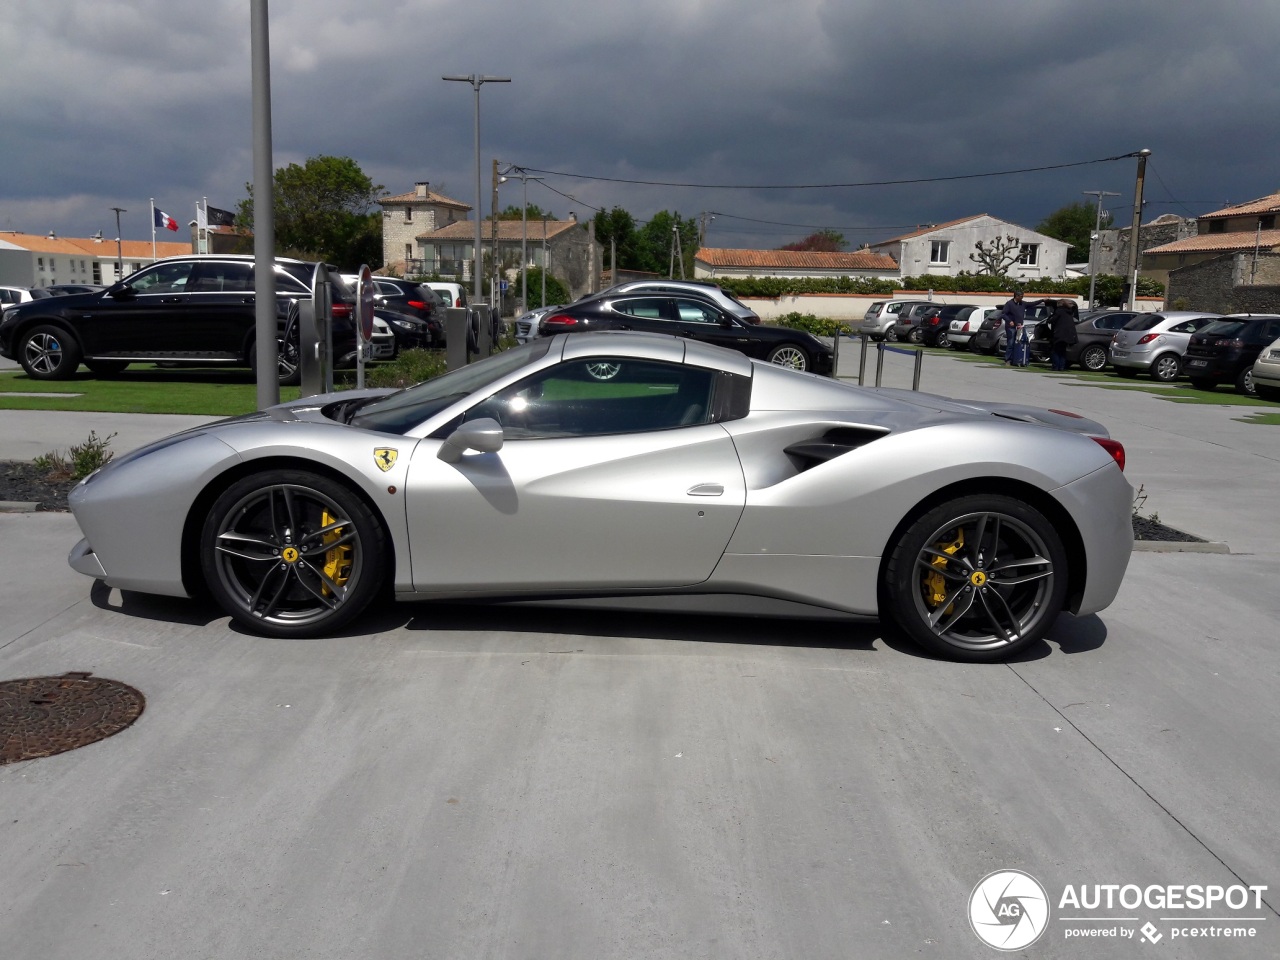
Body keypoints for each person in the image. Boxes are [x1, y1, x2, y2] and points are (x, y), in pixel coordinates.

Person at [1049, 298, 1078, 371]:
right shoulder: (1069, 312)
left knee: (1056, 351)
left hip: (1059, 334)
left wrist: (1050, 319)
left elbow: (1053, 320)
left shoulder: (1059, 311)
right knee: (1063, 351)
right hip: (1068, 335)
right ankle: (1061, 366)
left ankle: (1056, 366)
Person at [1001, 290, 1026, 365]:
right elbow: (1003, 314)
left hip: (1019, 326)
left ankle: (1016, 359)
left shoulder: (1022, 303)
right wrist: (1009, 321)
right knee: (1011, 343)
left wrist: (1042, 300)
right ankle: (1007, 360)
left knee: (1018, 343)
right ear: (1016, 296)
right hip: (1010, 327)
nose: (1022, 298)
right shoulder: (1009, 304)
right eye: (1021, 296)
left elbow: (1032, 304)